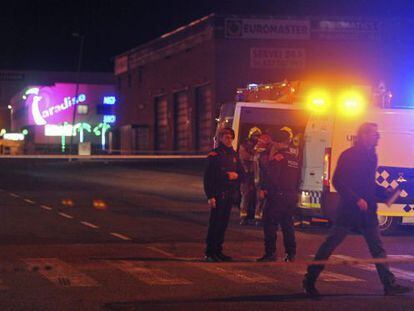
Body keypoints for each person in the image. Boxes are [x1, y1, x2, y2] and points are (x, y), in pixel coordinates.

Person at [303, 122, 412, 297]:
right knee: (330, 244)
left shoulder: (372, 156)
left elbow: (367, 184)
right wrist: (356, 199)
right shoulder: (350, 155)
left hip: (367, 212)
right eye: (374, 134)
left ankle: (389, 284)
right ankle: (309, 280)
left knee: (378, 248)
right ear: (364, 135)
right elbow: (338, 181)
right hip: (349, 210)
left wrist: (386, 193)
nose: (378, 137)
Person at [257, 129, 300, 262]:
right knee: (287, 224)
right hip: (291, 195)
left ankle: (270, 253)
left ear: (278, 142)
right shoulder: (294, 159)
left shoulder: (278, 158)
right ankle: (290, 253)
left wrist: (265, 189)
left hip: (278, 195)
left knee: (269, 223)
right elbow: (298, 178)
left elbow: (272, 177)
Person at [204, 127, 244, 262]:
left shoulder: (234, 155)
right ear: (220, 138)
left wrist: (236, 175)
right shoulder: (214, 155)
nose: (229, 139)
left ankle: (218, 251)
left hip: (229, 195)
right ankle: (210, 252)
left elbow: (243, 175)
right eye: (226, 137)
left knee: (223, 225)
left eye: (231, 137)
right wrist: (210, 196)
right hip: (218, 194)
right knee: (215, 224)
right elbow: (208, 177)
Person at [239, 126, 262, 225]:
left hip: (257, 174)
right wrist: (257, 153)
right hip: (247, 173)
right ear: (250, 136)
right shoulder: (244, 145)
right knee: (246, 195)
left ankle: (258, 217)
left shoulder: (260, 146)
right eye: (255, 135)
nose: (256, 137)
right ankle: (243, 217)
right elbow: (246, 157)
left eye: (258, 136)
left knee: (259, 196)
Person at [252, 133, 273, 226]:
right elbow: (265, 170)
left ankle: (258, 218)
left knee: (259, 200)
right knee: (263, 200)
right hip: (262, 180)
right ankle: (260, 218)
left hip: (257, 179)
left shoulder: (257, 152)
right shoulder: (263, 155)